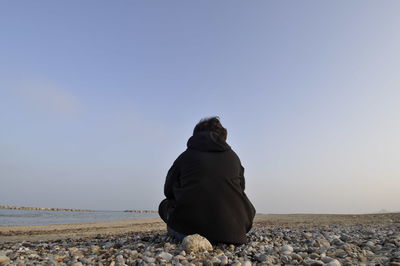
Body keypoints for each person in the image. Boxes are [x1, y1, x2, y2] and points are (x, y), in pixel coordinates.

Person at [158, 117, 256, 244]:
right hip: (234, 232)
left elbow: (168, 191)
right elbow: (241, 189)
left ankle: (183, 228)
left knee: (163, 205)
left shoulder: (185, 156)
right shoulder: (234, 158)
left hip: (188, 231)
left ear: (196, 135)